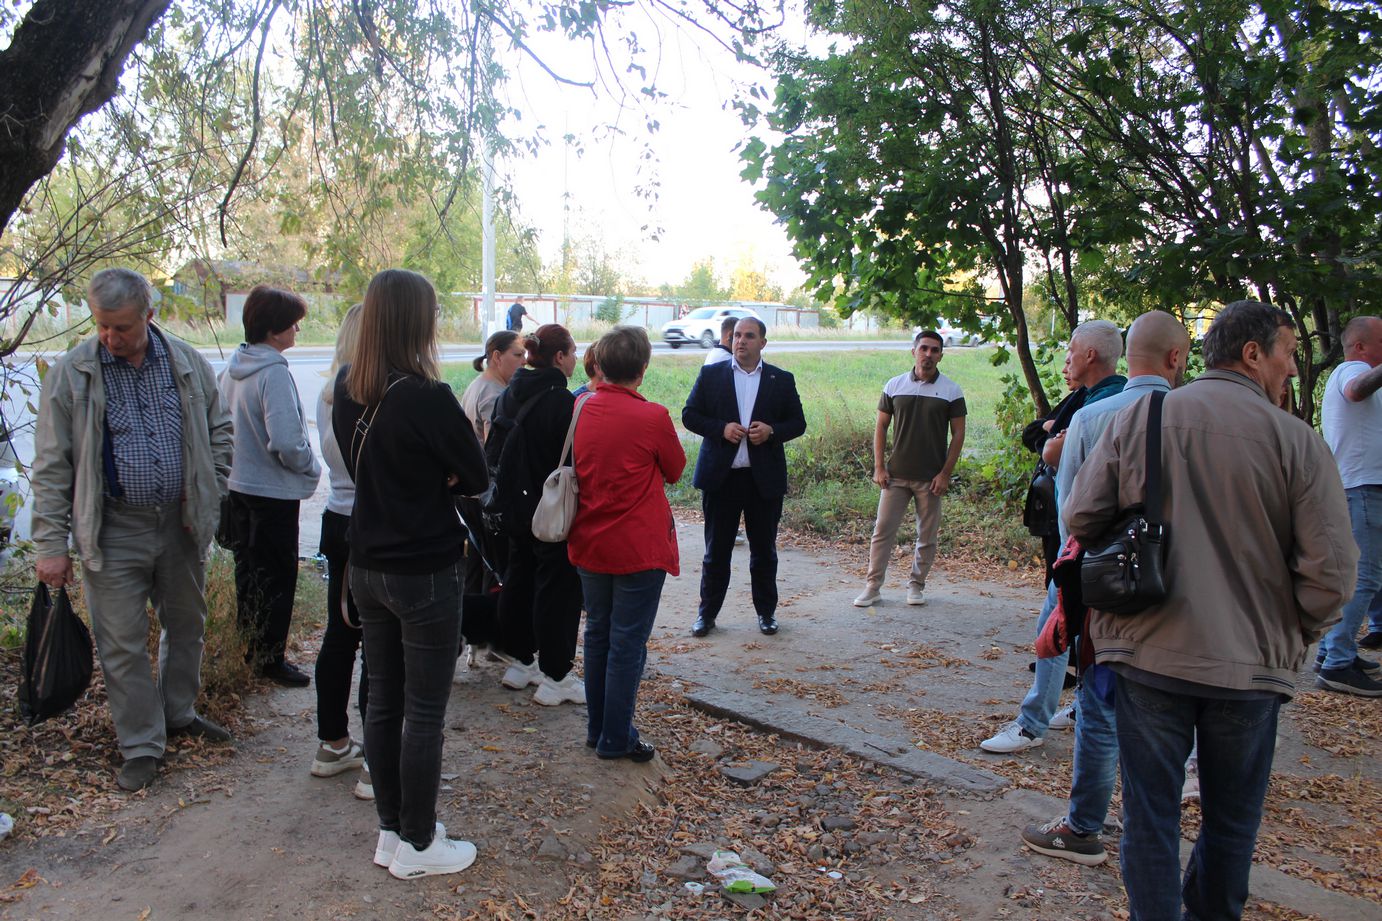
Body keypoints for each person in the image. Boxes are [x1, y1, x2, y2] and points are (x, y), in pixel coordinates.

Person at [1063, 300, 1355, 920]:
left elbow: (1080, 516)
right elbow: (1331, 574)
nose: (1293, 369)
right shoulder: (1297, 441)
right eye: (1288, 353)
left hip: (1148, 654)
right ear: (1252, 354)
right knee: (1231, 822)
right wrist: (1293, 630)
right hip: (1251, 669)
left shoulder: (1145, 417)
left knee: (1150, 817)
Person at [31, 268, 233, 792]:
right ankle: (142, 744)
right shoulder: (73, 374)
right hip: (112, 528)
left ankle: (179, 713)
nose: (110, 338)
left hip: (180, 524)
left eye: (121, 327)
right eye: (101, 325)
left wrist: (210, 486)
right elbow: (52, 466)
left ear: (149, 315)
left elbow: (220, 430)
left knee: (186, 625)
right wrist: (51, 545)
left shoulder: (186, 362)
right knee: (120, 642)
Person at [332, 268, 488, 879]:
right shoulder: (427, 396)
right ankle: (419, 845)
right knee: (423, 710)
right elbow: (476, 475)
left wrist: (432, 471)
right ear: (418, 323)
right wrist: (439, 473)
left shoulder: (348, 388)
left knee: (383, 700)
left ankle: (393, 832)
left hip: (367, 564)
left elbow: (369, 469)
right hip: (423, 567)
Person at [1019, 311, 1190, 867]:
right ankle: (1152, 828)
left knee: (1100, 705)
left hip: (1108, 586)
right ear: (1176, 358)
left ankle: (1085, 826)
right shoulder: (1197, 416)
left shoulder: (1092, 417)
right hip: (1180, 585)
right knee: (1167, 705)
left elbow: (1072, 515)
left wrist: (1072, 581)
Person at [980, 319, 1126, 754]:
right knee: (1082, 631)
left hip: (1086, 543)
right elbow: (1042, 439)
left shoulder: (1103, 406)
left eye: (1072, 351)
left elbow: (1061, 455)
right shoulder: (1088, 398)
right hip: (1086, 541)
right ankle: (1081, 706)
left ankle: (1031, 724)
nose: (1067, 359)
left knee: (1054, 628)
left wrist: (1057, 439)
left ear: (1090, 355)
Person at [567, 326, 686, 761]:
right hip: (638, 546)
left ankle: (597, 729)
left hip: (590, 541)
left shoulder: (581, 407)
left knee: (598, 634)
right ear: (643, 369)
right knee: (627, 644)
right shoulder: (652, 416)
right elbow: (675, 470)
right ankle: (616, 738)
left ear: (599, 365)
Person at [219, 285, 322, 686]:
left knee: (248, 573)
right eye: (294, 323)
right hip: (271, 493)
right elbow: (286, 441)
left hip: (238, 487)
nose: (298, 329)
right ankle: (269, 660)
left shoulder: (233, 366)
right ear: (274, 329)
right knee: (277, 578)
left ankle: (250, 647)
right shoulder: (273, 372)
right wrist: (310, 466)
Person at [683, 317, 807, 637]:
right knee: (716, 553)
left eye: (749, 336)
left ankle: (766, 613)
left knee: (764, 552)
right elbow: (689, 415)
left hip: (762, 480)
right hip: (721, 479)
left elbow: (798, 423)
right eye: (737, 335)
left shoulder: (781, 379)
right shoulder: (712, 375)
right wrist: (721, 429)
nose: (740, 341)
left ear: (762, 343)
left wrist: (772, 431)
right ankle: (706, 615)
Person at [491, 324, 587, 706]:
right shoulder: (563, 403)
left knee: (518, 578)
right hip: (549, 511)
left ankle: (521, 662)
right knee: (557, 589)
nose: (576, 359)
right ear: (560, 357)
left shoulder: (510, 393)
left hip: (513, 506)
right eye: (573, 352)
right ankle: (556, 676)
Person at [852, 330, 966, 608]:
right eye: (924, 348)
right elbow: (881, 427)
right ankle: (872, 587)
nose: (928, 354)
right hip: (895, 476)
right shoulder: (894, 385)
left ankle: (916, 586)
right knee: (882, 532)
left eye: (935, 350)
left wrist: (945, 474)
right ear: (913, 351)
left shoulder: (951, 390)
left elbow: (958, 434)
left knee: (926, 536)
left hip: (931, 479)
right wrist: (879, 467)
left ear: (941, 355)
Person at [310, 304, 371, 797]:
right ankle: (377, 756)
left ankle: (332, 741)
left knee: (341, 633)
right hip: (371, 522)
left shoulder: (328, 392)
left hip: (337, 515)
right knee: (380, 642)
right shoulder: (372, 393)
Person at [1316, 315, 1382, 695]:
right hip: (1363, 489)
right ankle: (1338, 664)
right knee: (1365, 577)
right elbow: (1358, 390)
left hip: (1359, 487)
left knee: (1359, 576)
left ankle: (1332, 652)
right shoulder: (1351, 371)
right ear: (1359, 346)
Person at [460, 330, 525, 444]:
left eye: (524, 355)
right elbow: (494, 449)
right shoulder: (494, 396)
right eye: (518, 355)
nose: (525, 361)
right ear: (497, 357)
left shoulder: (478, 383)